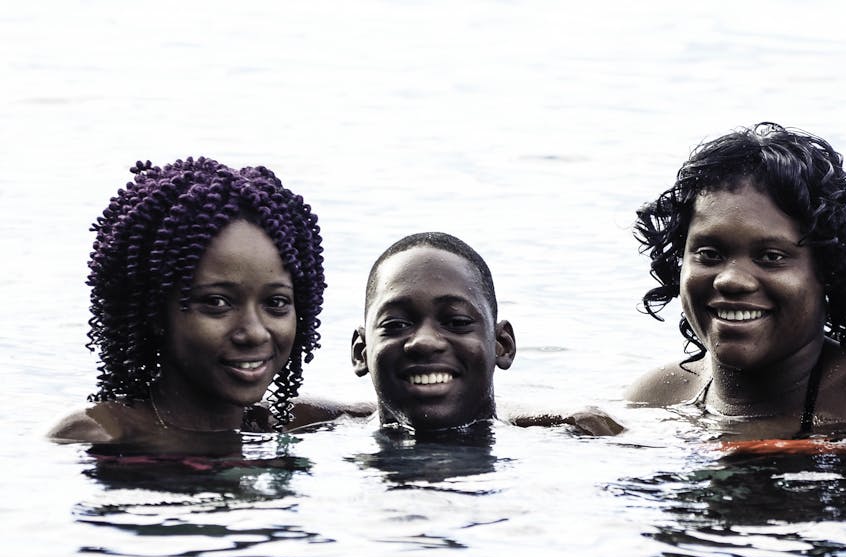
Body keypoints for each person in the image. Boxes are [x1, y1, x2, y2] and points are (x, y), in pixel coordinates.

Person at [625, 123, 846, 437]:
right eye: (709, 254)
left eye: (771, 257)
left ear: (830, 270)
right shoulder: (655, 400)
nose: (731, 280)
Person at [49, 157, 333, 444]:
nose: (254, 332)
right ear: (155, 312)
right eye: (217, 302)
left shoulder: (286, 423)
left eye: (276, 303)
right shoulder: (101, 435)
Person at [350, 232, 622, 435]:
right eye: (396, 324)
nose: (425, 341)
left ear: (502, 344)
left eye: (456, 322)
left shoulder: (580, 434)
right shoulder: (314, 424)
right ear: (360, 352)